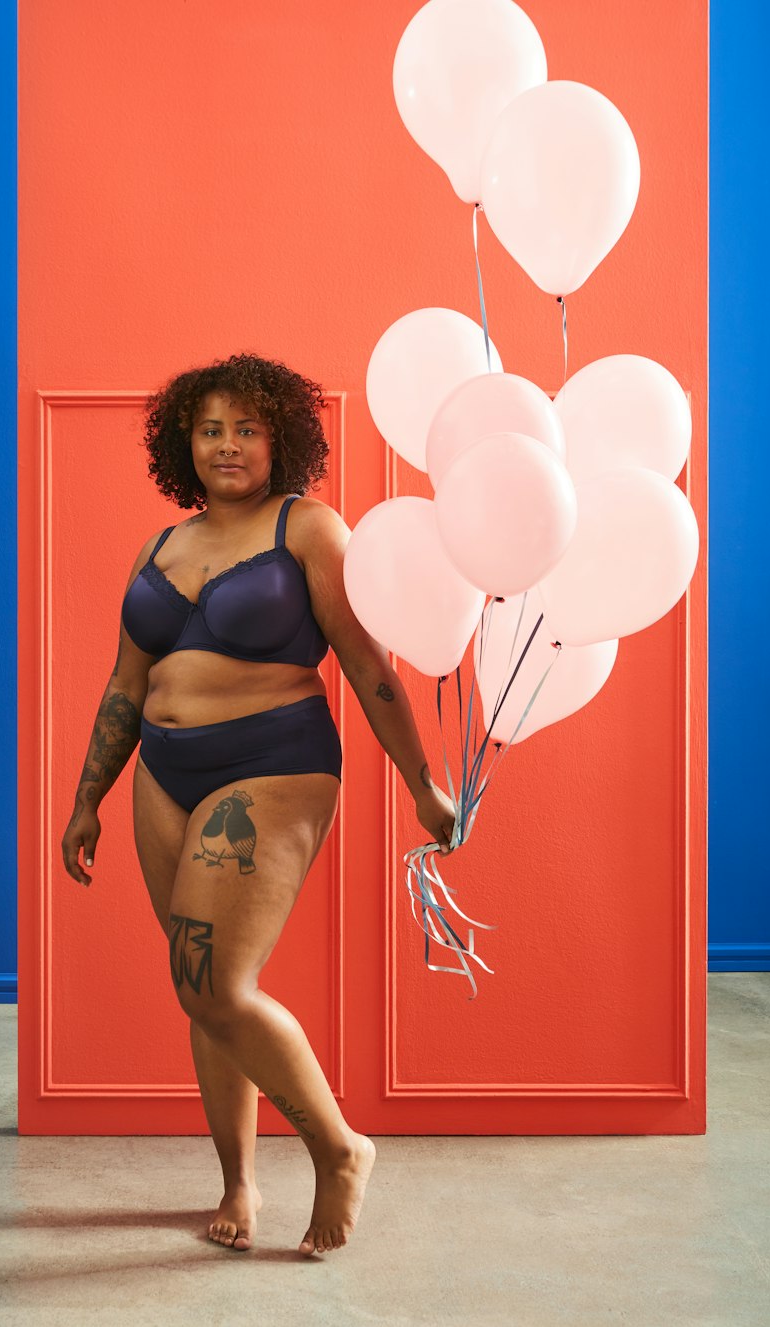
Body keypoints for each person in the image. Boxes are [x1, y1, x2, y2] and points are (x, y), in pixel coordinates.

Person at [61, 352, 456, 1257]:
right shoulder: (161, 548)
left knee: (215, 983)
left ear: (281, 436)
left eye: (245, 427)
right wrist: (88, 797)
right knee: (202, 997)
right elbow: (127, 684)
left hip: (271, 763)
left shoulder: (309, 528)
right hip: (165, 771)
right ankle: (238, 1181)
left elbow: (366, 669)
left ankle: (339, 1147)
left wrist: (421, 783)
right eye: (208, 429)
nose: (226, 444)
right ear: (181, 444)